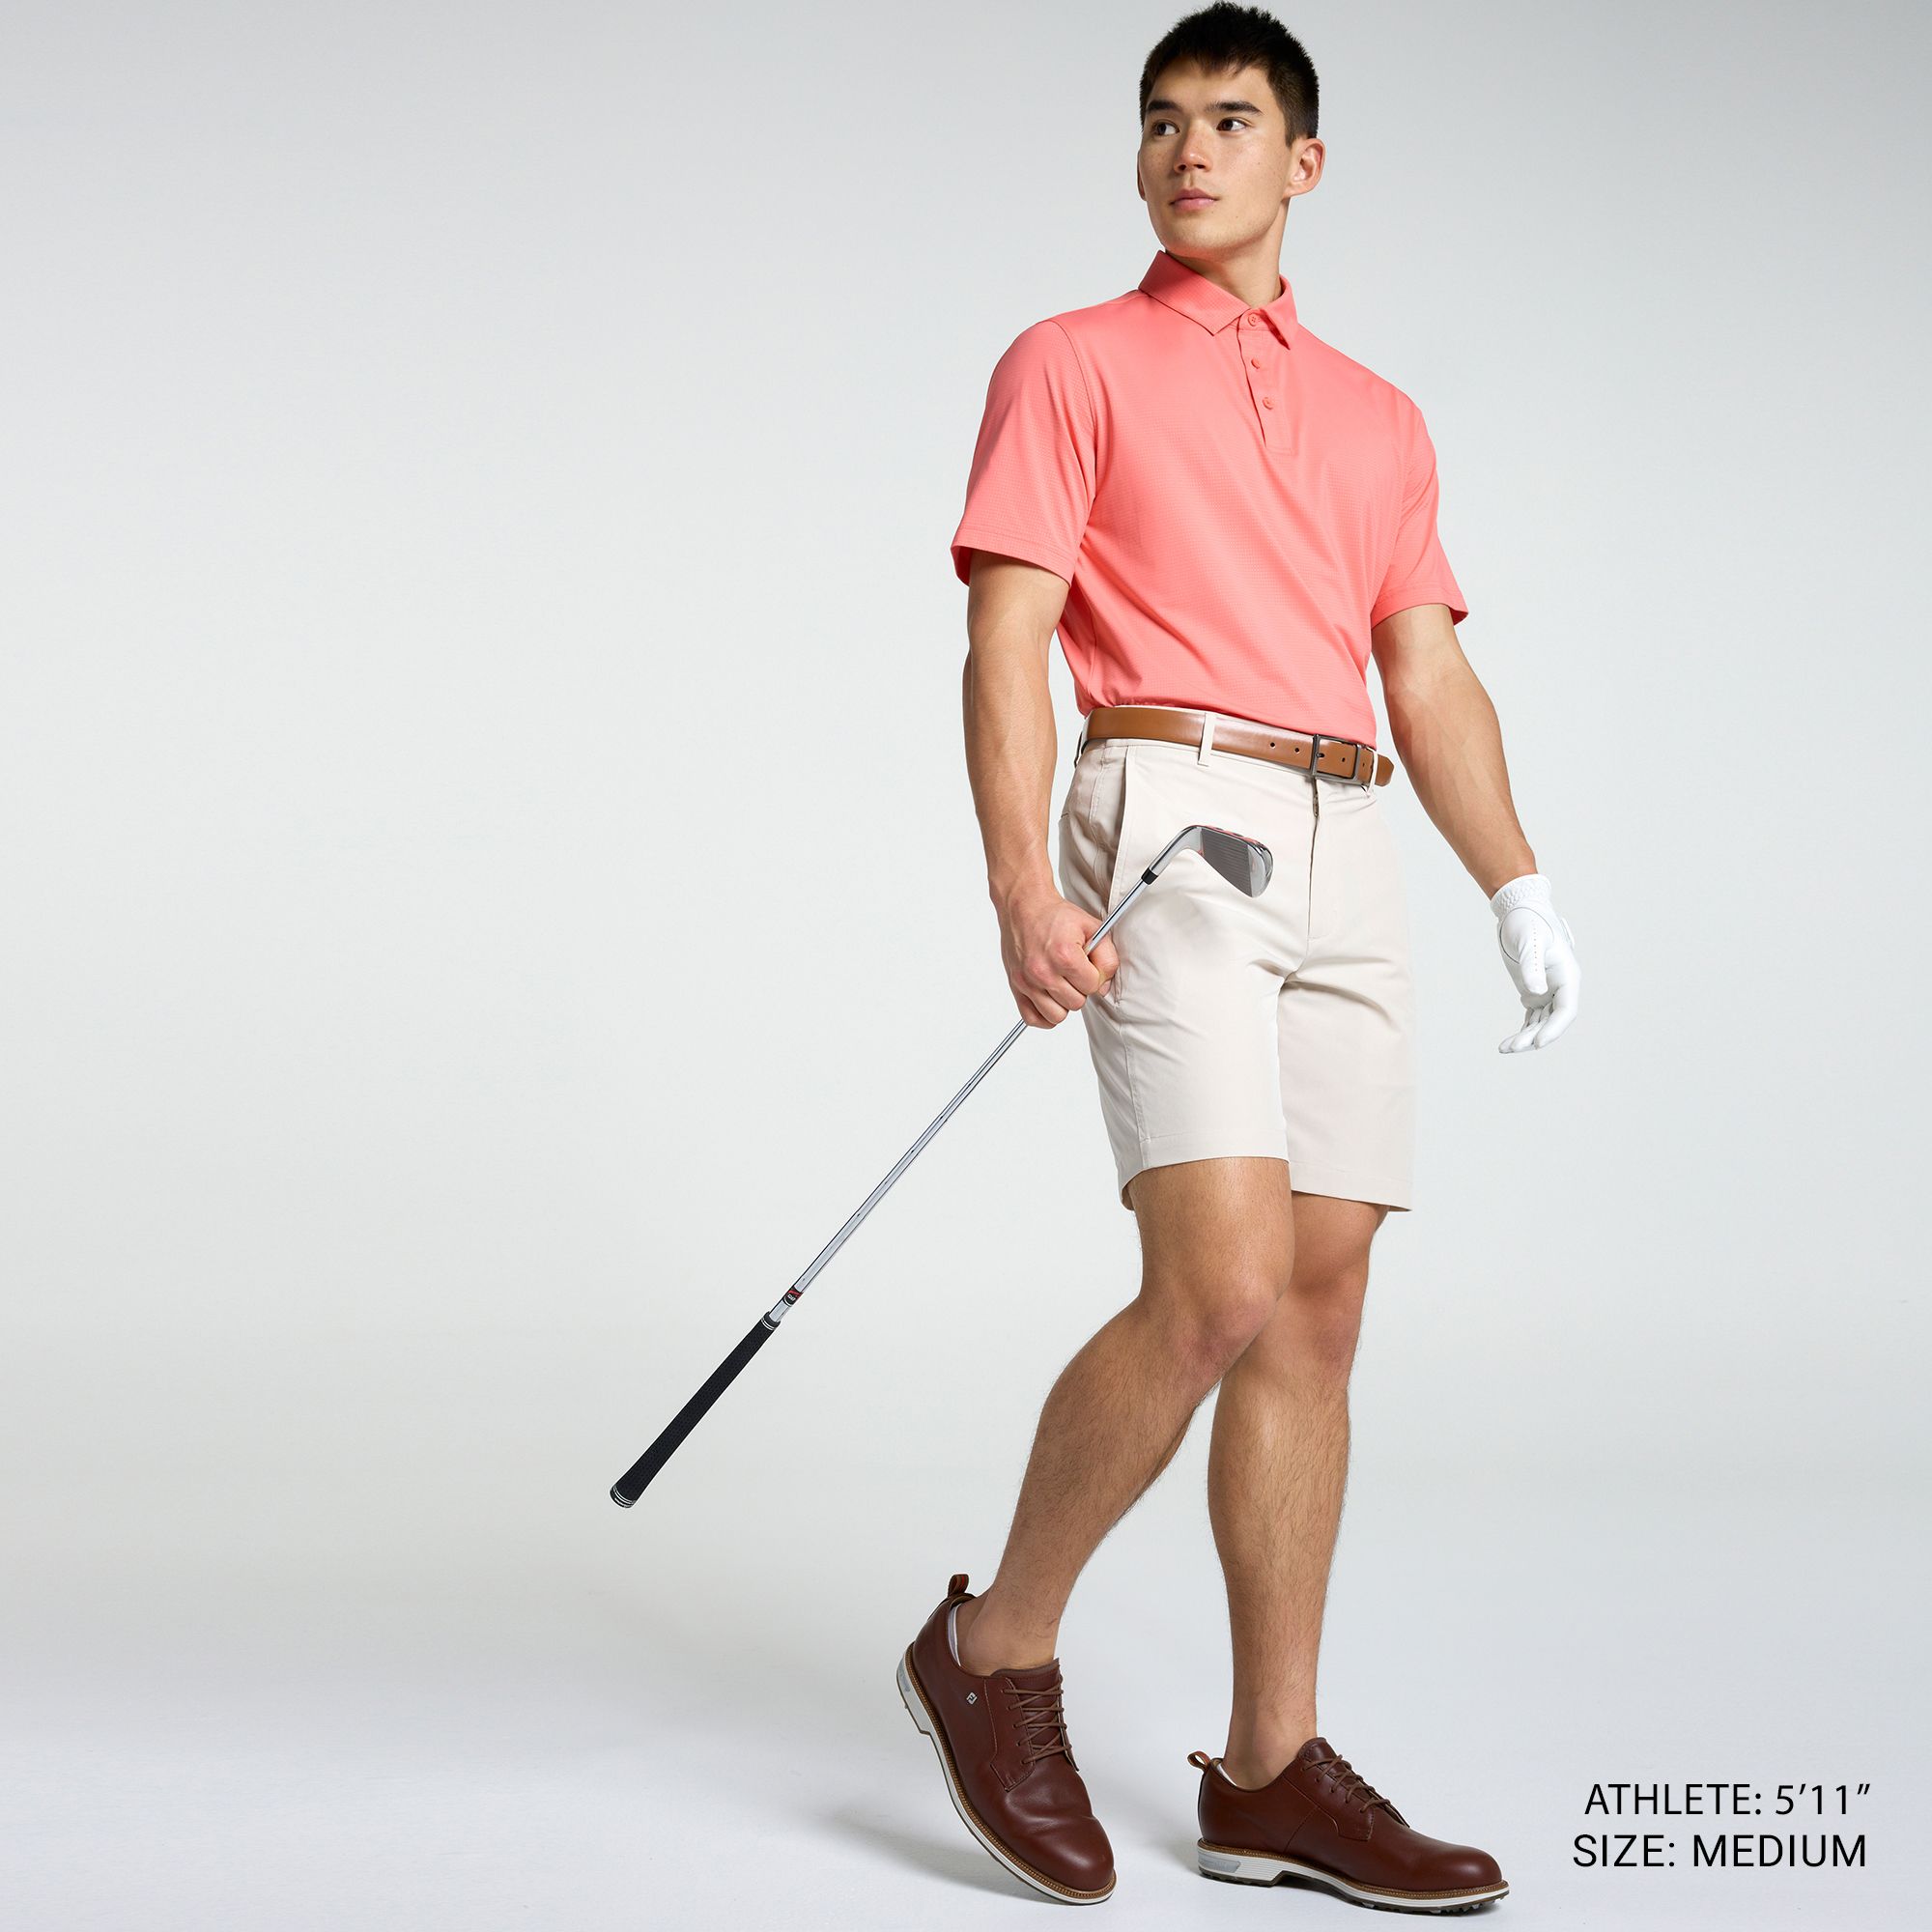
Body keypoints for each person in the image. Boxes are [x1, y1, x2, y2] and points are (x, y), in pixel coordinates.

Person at [895, 2, 1579, 1915]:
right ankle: (991, 1651)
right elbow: (1005, 637)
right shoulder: (1068, 361)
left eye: (1230, 118)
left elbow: (1423, 670)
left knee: (1317, 1307)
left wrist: (1517, 885)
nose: (1188, 150)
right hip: (1167, 807)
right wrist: (1019, 885)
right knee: (1214, 1281)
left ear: (1305, 162)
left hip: (1346, 828)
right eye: (1160, 120)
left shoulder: (1379, 415)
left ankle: (1270, 1770)